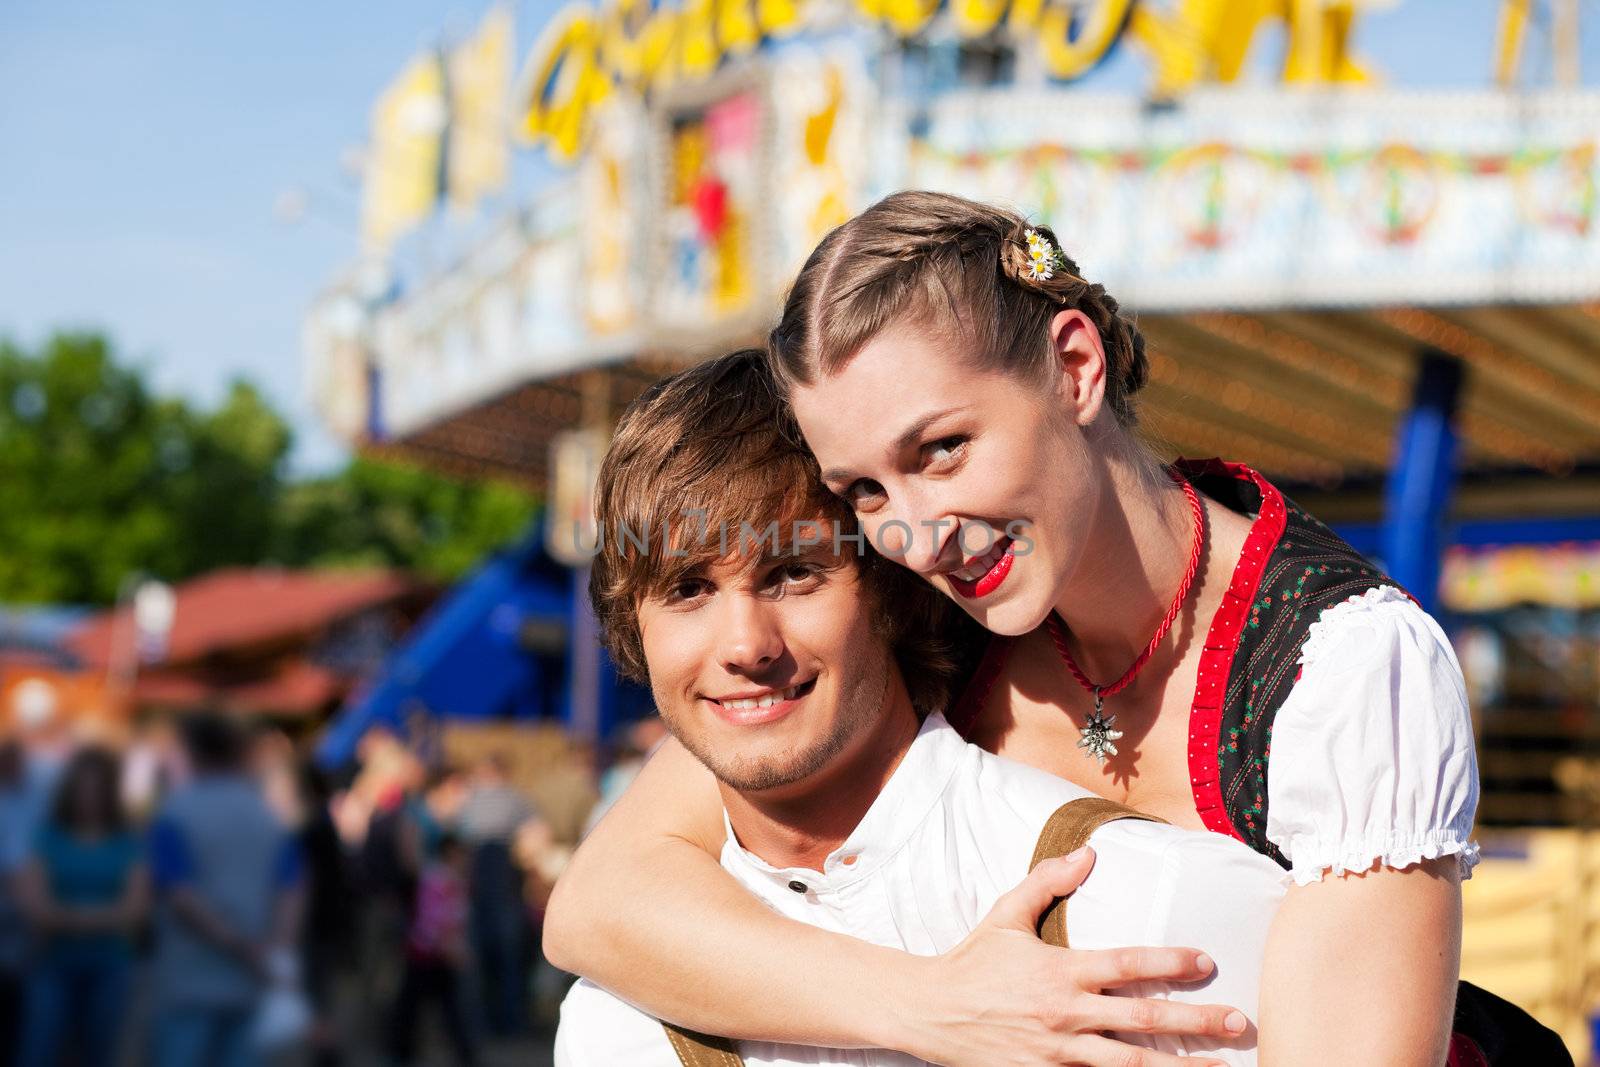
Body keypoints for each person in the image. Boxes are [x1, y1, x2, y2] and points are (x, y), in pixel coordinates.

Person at [544, 192, 1494, 1066]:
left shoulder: (1345, 670)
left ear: (1075, 367)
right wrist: (928, 1005)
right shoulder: (937, 608)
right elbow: (601, 901)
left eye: (943, 449)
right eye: (866, 489)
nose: (915, 532)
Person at [556, 350, 1288, 1066]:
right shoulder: (615, 1019)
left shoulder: (1145, 913)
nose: (746, 645)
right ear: (634, 628)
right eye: (688, 589)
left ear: (895, 587)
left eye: (793, 575)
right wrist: (933, 1006)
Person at [148, 712, 304, 1067]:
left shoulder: (175, 813)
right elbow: (292, 888)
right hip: (250, 979)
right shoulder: (270, 817)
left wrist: (236, 943)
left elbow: (177, 893)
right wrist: (274, 952)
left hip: (187, 978)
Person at [15, 745, 148, 1067]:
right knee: (40, 1049)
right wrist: (103, 916)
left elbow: (135, 910)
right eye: (83, 790)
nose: (89, 798)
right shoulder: (47, 837)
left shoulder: (128, 841)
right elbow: (36, 909)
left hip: (110, 964)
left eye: (97, 791)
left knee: (98, 1051)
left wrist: (66, 915)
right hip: (53, 962)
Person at [389, 830, 479, 1066]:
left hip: (438, 956)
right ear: (451, 853)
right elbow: (433, 921)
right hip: (427, 955)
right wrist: (451, 949)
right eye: (463, 854)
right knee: (416, 1008)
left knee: (444, 1009)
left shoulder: (453, 880)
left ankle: (463, 1054)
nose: (467, 859)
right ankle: (401, 1053)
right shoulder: (439, 880)